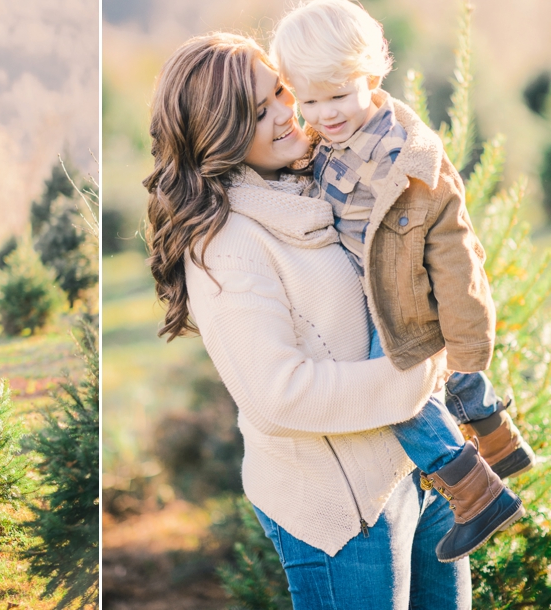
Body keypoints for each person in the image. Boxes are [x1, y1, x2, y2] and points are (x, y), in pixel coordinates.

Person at [143, 32, 470, 608]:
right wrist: (415, 379)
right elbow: (279, 394)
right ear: (217, 134)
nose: (286, 114)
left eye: (280, 92)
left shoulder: (325, 181)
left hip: (419, 472)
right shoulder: (226, 244)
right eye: (257, 112)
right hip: (344, 512)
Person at [269, 0, 531, 562]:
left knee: (395, 398)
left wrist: (468, 346)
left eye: (338, 95)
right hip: (359, 299)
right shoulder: (322, 140)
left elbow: (458, 255)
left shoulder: (412, 163)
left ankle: (477, 494)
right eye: (308, 100)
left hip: (397, 308)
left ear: (373, 74)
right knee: (432, 391)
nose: (325, 113)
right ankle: (497, 440)